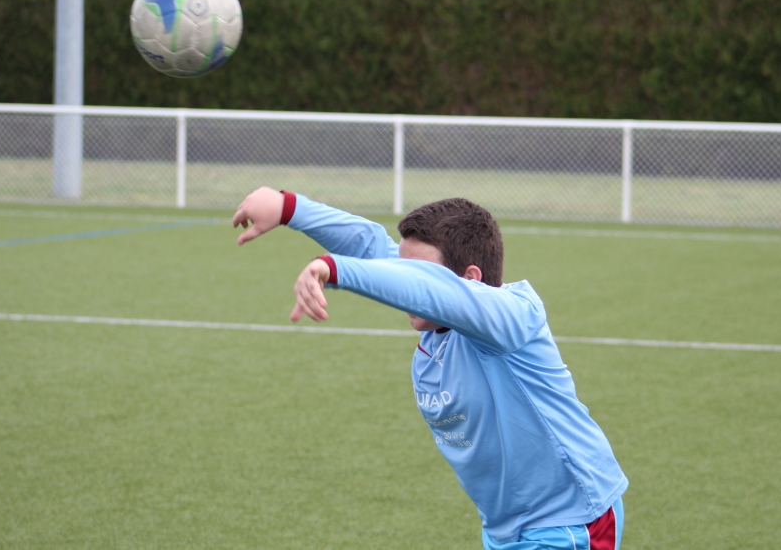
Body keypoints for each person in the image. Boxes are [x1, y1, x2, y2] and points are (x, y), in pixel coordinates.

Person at [233, 187, 628, 550]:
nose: (402, 277)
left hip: (571, 520)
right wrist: (289, 208)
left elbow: (428, 289)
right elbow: (372, 246)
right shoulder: (438, 331)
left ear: (471, 279)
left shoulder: (512, 317)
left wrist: (334, 269)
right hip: (505, 527)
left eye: (417, 271)